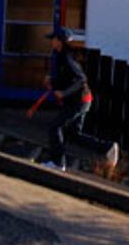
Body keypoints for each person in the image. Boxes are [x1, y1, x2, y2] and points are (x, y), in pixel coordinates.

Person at [41, 28, 118, 172]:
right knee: (73, 134)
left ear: (59, 41)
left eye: (53, 39)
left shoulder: (67, 57)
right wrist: (52, 81)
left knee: (55, 126)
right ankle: (107, 148)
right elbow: (68, 78)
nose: (51, 41)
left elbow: (81, 79)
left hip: (79, 101)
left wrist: (63, 93)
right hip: (82, 100)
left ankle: (58, 163)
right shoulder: (62, 56)